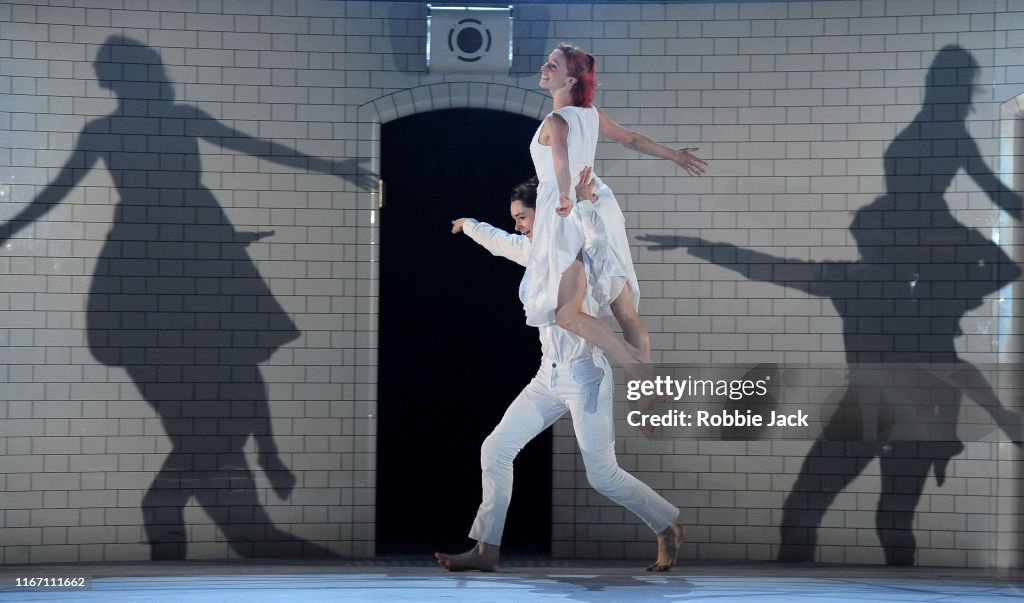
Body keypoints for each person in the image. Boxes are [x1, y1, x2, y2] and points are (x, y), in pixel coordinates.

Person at [436, 176, 686, 572]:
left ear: (546, 212)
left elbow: (609, 272)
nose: (518, 225)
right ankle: (487, 548)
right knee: (496, 449)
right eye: (516, 219)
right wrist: (467, 224)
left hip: (586, 376)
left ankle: (667, 524)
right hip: (546, 377)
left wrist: (585, 205)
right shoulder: (534, 251)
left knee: (603, 475)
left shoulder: (579, 253)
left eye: (523, 217)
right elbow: (499, 241)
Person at [522, 43, 706, 379]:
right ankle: (647, 388)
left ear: (570, 81)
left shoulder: (556, 118)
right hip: (597, 202)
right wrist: (675, 156)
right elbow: (631, 140)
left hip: (570, 207)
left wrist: (564, 196)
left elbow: (561, 159)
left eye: (552, 65)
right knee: (624, 309)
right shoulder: (591, 113)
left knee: (566, 311)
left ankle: (640, 374)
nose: (544, 69)